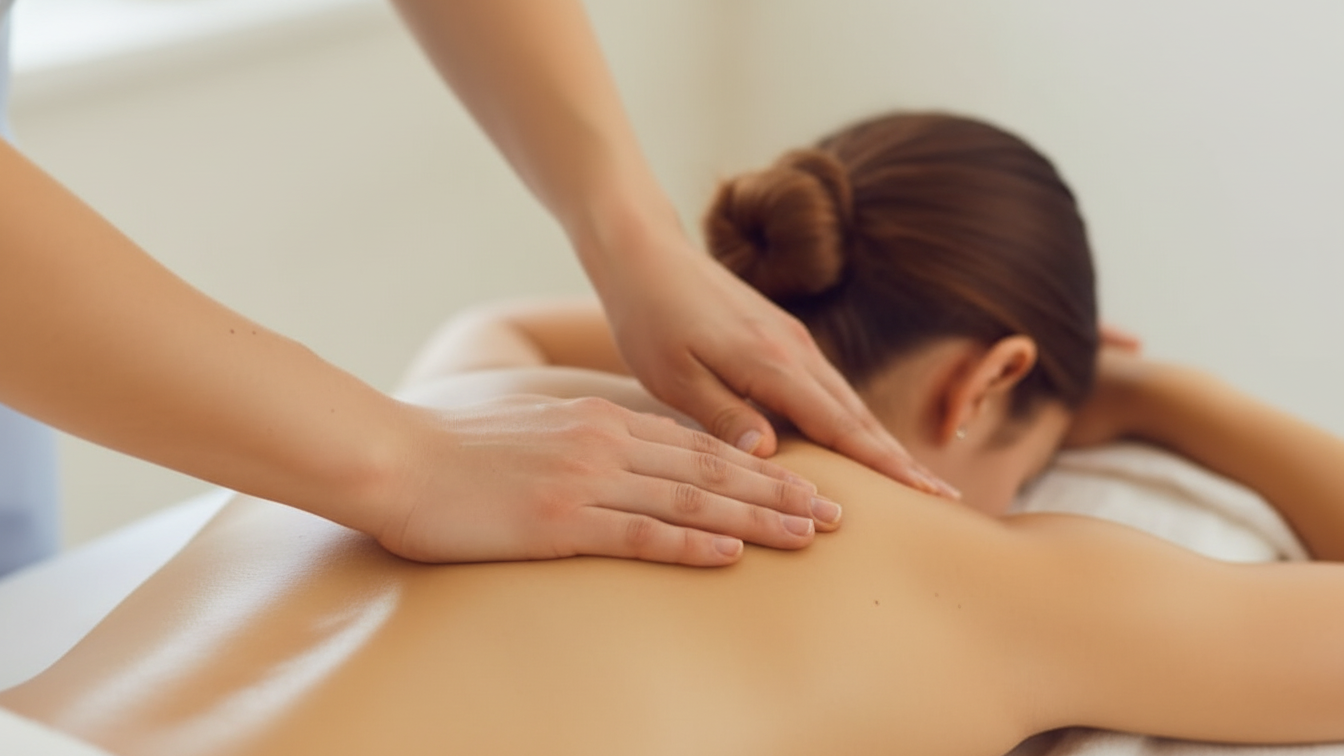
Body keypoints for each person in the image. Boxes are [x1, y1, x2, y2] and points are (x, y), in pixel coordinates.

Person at [7, 111, 1344, 756]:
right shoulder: (981, 580)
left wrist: (699, 318)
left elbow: (510, 321)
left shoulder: (465, 418)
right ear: (986, 384)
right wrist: (1171, 397)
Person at [0, 0, 957, 578]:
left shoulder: (490, 383)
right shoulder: (1021, 577)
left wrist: (629, 232)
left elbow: (502, 329)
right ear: (987, 380)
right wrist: (395, 458)